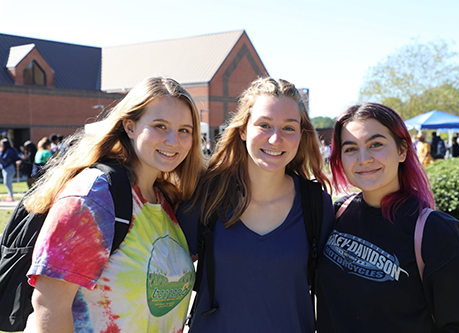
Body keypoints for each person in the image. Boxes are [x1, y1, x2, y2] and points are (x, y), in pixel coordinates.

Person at [23, 76, 204, 332]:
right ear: (130, 127)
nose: (173, 140)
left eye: (184, 130)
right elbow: (49, 305)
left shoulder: (165, 200)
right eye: (160, 126)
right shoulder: (94, 196)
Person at [318, 102, 459, 332]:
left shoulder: (437, 233)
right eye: (350, 149)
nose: (363, 158)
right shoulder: (338, 213)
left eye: (376, 144)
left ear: (402, 150)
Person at [176, 77, 334, 332]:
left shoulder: (317, 205)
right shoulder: (207, 195)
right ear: (242, 130)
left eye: (289, 128)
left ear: (301, 135)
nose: (275, 139)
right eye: (264, 125)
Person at [0, 138, 21, 202]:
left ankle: (11, 196)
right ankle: (10, 196)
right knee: (7, 182)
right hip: (5, 169)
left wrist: (0, 152)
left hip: (9, 168)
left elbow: (4, 160)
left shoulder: (9, 151)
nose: (1, 146)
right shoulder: (6, 151)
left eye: (1, 145)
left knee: (7, 182)